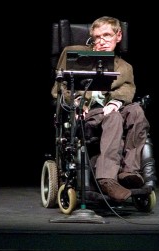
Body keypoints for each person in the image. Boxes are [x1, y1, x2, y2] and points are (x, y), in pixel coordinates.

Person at [51, 16, 150, 202]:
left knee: (136, 111)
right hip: (88, 112)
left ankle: (129, 172)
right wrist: (76, 101)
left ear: (118, 36)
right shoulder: (74, 54)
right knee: (114, 118)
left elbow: (127, 88)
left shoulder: (125, 67)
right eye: (97, 37)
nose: (102, 41)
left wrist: (116, 102)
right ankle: (106, 178)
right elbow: (61, 86)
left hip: (111, 108)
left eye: (107, 35)